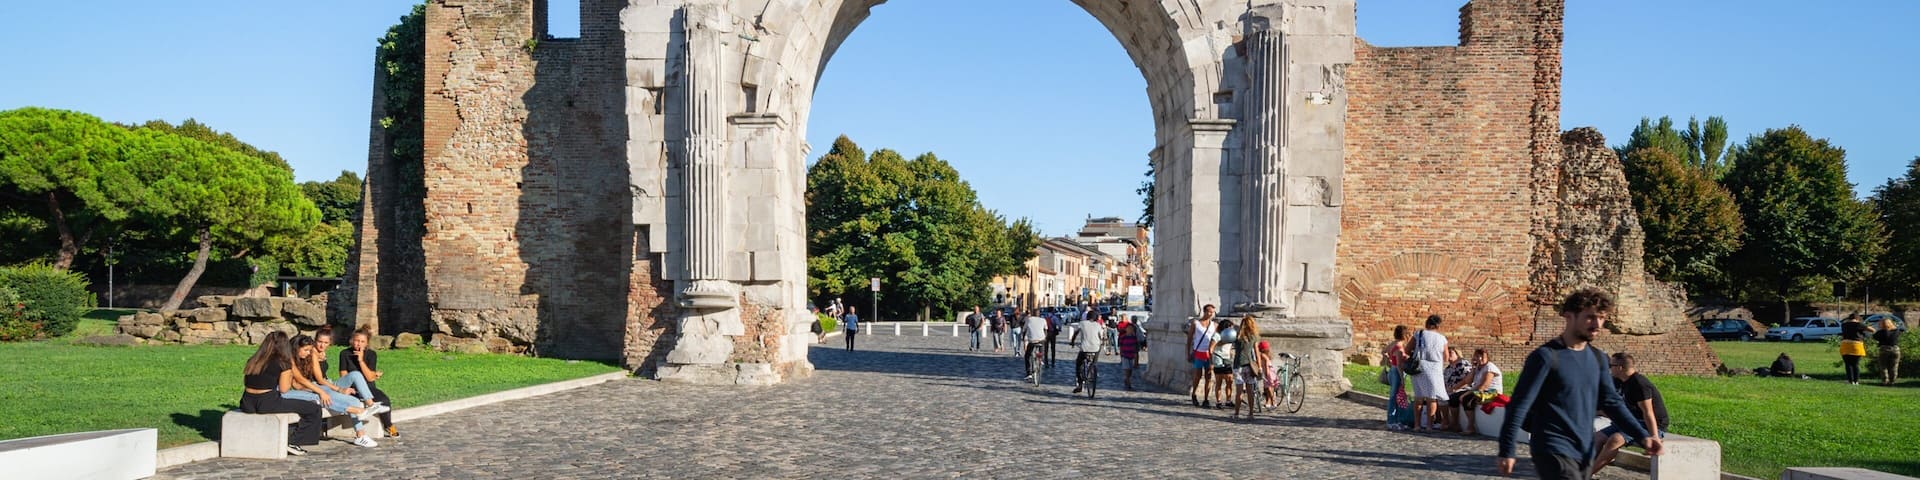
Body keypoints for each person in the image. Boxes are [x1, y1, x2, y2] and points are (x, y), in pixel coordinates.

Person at [1496, 288, 1663, 479]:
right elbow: (1518, 405)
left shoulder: (1598, 359)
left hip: (1583, 448)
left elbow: (1613, 403)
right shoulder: (1546, 357)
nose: (1597, 324)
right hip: (1552, 446)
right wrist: (1507, 449)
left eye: (1601, 318)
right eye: (1590, 317)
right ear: (1569, 316)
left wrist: (1643, 437)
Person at [284, 335, 383, 447]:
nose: (308, 352)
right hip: (311, 389)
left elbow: (318, 378)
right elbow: (298, 384)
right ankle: (360, 426)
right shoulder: (289, 361)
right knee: (326, 396)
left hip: (317, 387)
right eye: (306, 350)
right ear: (296, 348)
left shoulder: (310, 356)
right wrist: (323, 390)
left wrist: (330, 389)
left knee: (352, 398)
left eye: (309, 350)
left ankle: (361, 432)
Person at [240, 331, 322, 456]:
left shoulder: (254, 360)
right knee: (314, 408)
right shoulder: (283, 363)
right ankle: (294, 442)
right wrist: (289, 374)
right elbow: (284, 389)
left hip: (247, 402)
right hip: (267, 402)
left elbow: (247, 382)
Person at [1591, 352, 1670, 477]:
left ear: (1620, 367)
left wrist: (1654, 436)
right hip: (1631, 421)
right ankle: (1583, 470)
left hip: (1650, 424)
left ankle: (1585, 475)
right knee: (1597, 437)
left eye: (1611, 365)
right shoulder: (1619, 380)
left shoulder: (1639, 384)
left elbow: (1648, 413)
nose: (1609, 368)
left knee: (1615, 439)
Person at [342, 325, 399, 437]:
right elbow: (343, 375)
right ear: (352, 340)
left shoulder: (371, 354)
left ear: (367, 343)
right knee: (355, 400)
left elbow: (369, 377)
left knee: (384, 400)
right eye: (357, 340)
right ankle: (360, 431)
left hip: (369, 388)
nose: (359, 344)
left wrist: (361, 361)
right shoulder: (344, 354)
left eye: (362, 341)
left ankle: (388, 425)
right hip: (353, 389)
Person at [1410, 315, 1450, 432]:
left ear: (1427, 324)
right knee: (1432, 398)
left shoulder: (1419, 334)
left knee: (1418, 398)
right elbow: (1446, 357)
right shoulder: (1442, 339)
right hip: (1434, 370)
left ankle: (1417, 425)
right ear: (1438, 325)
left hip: (1418, 368)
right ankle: (1429, 425)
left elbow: (1408, 349)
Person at [1458, 348, 1503, 435]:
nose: (1480, 359)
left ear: (1487, 358)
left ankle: (1470, 427)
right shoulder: (1478, 368)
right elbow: (1468, 382)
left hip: (1491, 392)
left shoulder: (1490, 367)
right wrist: (1473, 368)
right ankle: (1454, 424)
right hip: (1479, 390)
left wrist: (1468, 394)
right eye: (1477, 356)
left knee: (1467, 399)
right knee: (1455, 397)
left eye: (1482, 357)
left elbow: (1484, 385)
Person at [1231, 315, 1265, 419]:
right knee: (1250, 391)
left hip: (1238, 365)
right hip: (1249, 366)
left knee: (1239, 391)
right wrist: (1259, 366)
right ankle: (1250, 413)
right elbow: (1257, 353)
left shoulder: (1237, 336)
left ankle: (1236, 413)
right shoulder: (1253, 337)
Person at [1187, 304, 1219, 407]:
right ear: (1204, 311)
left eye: (1212, 312)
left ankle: (1206, 398)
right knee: (1198, 375)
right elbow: (1189, 339)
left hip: (1209, 354)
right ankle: (1194, 394)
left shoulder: (1214, 325)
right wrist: (1187, 353)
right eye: (1209, 311)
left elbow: (1217, 339)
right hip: (1198, 352)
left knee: (1209, 376)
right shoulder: (1196, 324)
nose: (1211, 314)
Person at [1384, 325, 1414, 430]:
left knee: (1396, 397)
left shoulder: (1393, 344)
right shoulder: (1400, 347)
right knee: (1394, 397)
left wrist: (1389, 359)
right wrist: (1402, 379)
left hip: (1392, 370)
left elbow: (1384, 351)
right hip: (1397, 372)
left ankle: (1396, 419)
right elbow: (1399, 365)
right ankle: (1391, 420)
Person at [1070, 312, 1106, 394]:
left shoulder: (1082, 323)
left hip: (1085, 348)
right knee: (1095, 360)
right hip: (1096, 348)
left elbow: (1076, 333)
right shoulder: (1098, 325)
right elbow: (1101, 336)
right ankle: (1093, 369)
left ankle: (1080, 383)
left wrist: (1072, 341)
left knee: (1078, 364)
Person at [1441, 347, 1472, 433]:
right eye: (1447, 352)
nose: (1448, 354)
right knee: (1437, 397)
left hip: (1463, 389)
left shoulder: (1462, 364)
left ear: (1457, 354)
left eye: (1451, 352)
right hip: (1450, 389)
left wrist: (1454, 389)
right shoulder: (1447, 368)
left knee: (1453, 398)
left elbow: (1468, 380)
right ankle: (1444, 420)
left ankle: (1455, 423)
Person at [1211, 319, 1239, 409]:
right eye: (1230, 326)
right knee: (1219, 381)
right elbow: (1211, 348)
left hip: (1227, 359)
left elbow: (1230, 348)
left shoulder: (1232, 336)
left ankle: (1228, 400)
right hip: (1218, 358)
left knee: (1229, 381)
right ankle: (1218, 401)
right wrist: (1210, 361)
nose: (1232, 328)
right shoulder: (1217, 335)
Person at [1841, 315, 1870, 385]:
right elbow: (1872, 330)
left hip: (1846, 344)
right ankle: (1856, 381)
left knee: (1848, 364)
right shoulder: (1859, 324)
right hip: (1856, 345)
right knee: (1855, 364)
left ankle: (1850, 381)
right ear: (1857, 319)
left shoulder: (1844, 325)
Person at [1023, 310, 1050, 381]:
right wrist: (1045, 338)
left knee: (1027, 356)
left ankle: (1028, 373)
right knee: (1042, 346)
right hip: (1041, 339)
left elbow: (1024, 330)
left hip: (1032, 340)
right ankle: (1041, 358)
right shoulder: (1043, 320)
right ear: (1039, 315)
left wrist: (1024, 338)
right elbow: (1046, 330)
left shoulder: (1029, 319)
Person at [1874, 318, 1902, 386]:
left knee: (1883, 366)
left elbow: (1874, 337)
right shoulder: (1897, 331)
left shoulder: (1880, 332)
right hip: (1895, 349)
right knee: (1894, 366)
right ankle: (1892, 381)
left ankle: (1885, 381)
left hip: (1884, 349)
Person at [1117, 322, 1142, 390]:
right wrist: (1121, 355)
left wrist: (1137, 361)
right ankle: (1128, 382)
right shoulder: (1123, 337)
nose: (1130, 330)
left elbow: (1136, 350)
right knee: (1127, 369)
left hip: (1132, 356)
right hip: (1125, 355)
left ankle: (1127, 379)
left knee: (1130, 370)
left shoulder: (1134, 339)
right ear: (1126, 329)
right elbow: (1121, 346)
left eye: (1131, 329)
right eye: (1129, 328)